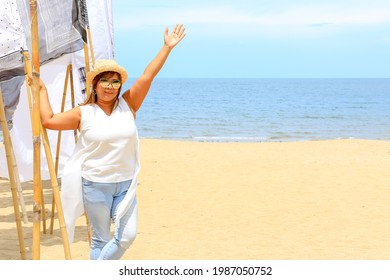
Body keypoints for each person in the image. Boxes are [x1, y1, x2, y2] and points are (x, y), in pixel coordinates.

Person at [30, 24, 186, 260]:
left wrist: (166, 47)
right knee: (101, 240)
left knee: (127, 236)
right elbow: (49, 121)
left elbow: (148, 75)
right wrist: (41, 89)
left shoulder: (128, 105)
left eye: (115, 82)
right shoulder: (84, 113)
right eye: (104, 81)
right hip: (95, 185)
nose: (110, 87)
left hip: (126, 186)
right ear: (94, 84)